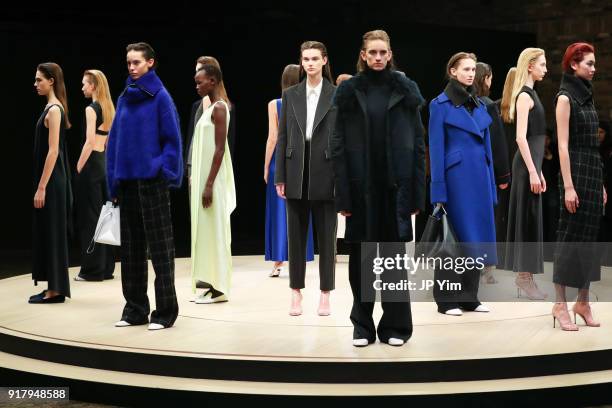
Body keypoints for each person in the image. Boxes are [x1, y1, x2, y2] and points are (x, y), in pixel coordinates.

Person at [333, 30, 425, 346]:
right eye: (372, 52)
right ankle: (362, 326)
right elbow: (338, 145)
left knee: (394, 261)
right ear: (363, 54)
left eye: (382, 52)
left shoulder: (405, 91)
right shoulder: (348, 92)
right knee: (361, 261)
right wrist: (342, 194)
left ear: (389, 54)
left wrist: (416, 192)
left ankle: (396, 327)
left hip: (395, 189)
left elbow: (418, 144)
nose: (377, 58)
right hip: (360, 191)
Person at [106, 42, 182, 330]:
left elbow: (172, 140)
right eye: (128, 63)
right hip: (127, 183)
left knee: (161, 249)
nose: (131, 67)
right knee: (132, 250)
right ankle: (135, 309)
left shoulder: (160, 97)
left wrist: (164, 172)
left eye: (136, 62)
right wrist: (112, 179)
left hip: (152, 181)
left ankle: (165, 311)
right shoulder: (125, 97)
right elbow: (115, 141)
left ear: (150, 63)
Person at [429, 52, 496, 316]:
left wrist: (491, 185)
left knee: (475, 237)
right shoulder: (440, 105)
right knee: (452, 239)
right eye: (465, 69)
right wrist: (438, 189)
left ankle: (470, 296)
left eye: (472, 69)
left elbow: (488, 150)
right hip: (455, 179)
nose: (470, 73)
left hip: (479, 177)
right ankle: (445, 299)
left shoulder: (478, 105)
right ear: (453, 71)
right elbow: (435, 148)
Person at [275, 41, 337, 317]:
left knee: (327, 239)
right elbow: (283, 136)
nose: (310, 63)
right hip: (295, 169)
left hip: (326, 170)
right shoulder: (291, 95)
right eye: (306, 59)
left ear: (324, 60)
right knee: (296, 238)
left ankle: (325, 295)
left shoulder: (337, 94)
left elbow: (341, 139)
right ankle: (295, 293)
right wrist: (280, 176)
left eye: (315, 58)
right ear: (301, 62)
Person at [553, 42, 607, 330]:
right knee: (569, 238)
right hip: (573, 171)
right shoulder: (565, 98)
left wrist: (599, 184)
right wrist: (569, 186)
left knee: (588, 241)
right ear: (574, 64)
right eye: (589, 63)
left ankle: (583, 301)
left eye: (594, 63)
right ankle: (560, 304)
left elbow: (591, 145)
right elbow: (562, 146)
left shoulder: (588, 96)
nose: (594, 68)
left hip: (592, 171)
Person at [504, 48, 548, 300]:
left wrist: (538, 170)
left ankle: (527, 278)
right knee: (527, 220)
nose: (545, 68)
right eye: (542, 64)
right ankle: (523, 278)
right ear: (530, 66)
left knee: (531, 219)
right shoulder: (523, 96)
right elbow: (521, 137)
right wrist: (532, 171)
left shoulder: (532, 94)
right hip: (525, 166)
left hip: (533, 164)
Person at [190, 64, 236, 303]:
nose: (197, 86)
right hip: (204, 179)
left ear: (213, 80)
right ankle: (211, 284)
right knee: (207, 232)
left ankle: (220, 289)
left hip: (212, 181)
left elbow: (220, 150)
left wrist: (208, 185)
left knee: (216, 231)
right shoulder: (210, 108)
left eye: (200, 82)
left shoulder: (219, 108)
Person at [264, 64, 314, 277]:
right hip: (302, 161)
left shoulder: (275, 104)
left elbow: (273, 137)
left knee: (278, 211)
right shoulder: (309, 102)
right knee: (300, 209)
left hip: (280, 161)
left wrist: (266, 165)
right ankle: (300, 257)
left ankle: (277, 262)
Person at [30, 62, 73, 304]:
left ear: (51, 81)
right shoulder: (50, 107)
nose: (36, 84)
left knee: (54, 233)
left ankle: (56, 290)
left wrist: (42, 186)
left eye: (39, 80)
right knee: (48, 231)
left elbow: (53, 151)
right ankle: (51, 287)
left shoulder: (54, 109)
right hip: (50, 179)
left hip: (53, 181)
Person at [74, 69, 116, 282]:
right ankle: (107, 267)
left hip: (92, 166)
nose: (82, 87)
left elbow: (89, 142)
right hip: (105, 165)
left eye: (84, 84)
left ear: (94, 86)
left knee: (90, 219)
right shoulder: (110, 108)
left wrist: (78, 167)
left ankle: (91, 270)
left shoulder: (91, 109)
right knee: (106, 217)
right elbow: (109, 142)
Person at [474, 62, 510, 284]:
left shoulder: (466, 104)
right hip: (485, 170)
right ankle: (486, 267)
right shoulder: (487, 105)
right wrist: (503, 175)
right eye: (489, 78)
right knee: (487, 218)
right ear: (485, 78)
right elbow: (498, 142)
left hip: (466, 171)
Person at [186, 56, 236, 182]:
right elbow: (192, 137)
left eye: (200, 70)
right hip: (195, 165)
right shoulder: (197, 106)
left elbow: (227, 144)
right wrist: (189, 166)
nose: (197, 75)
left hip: (214, 170)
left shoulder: (225, 107)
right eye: (196, 70)